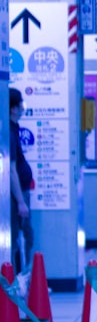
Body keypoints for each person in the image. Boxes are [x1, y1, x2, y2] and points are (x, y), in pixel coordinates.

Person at [9, 89, 32, 273]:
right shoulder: (9, 132)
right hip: (17, 196)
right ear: (13, 108)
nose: (23, 107)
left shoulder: (14, 129)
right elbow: (11, 170)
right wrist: (21, 202)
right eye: (21, 103)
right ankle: (19, 282)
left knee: (25, 235)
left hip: (21, 192)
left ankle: (25, 281)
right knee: (18, 237)